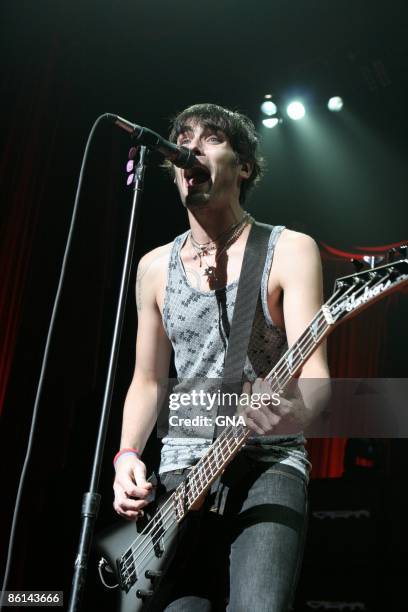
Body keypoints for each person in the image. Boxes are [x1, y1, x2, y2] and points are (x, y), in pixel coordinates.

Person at [113, 103, 330, 611]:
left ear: (244, 166)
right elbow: (147, 382)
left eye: (211, 139)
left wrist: (282, 412)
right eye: (183, 138)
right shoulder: (153, 268)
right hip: (179, 483)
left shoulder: (289, 250)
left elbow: (316, 384)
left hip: (267, 462)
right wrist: (126, 457)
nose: (191, 148)